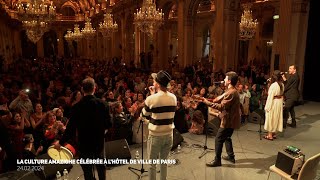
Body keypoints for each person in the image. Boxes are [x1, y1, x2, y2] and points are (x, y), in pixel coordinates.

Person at [54, 77, 112, 180]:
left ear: (82, 89)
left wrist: (61, 142)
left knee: (87, 170)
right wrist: (102, 131)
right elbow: (109, 124)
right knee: (101, 167)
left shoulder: (76, 107)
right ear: (94, 88)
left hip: (84, 143)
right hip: (98, 141)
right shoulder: (103, 104)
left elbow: (70, 129)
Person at [199, 71, 240, 167]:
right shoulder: (232, 91)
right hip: (232, 119)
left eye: (225, 79)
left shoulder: (231, 92)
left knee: (218, 139)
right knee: (227, 137)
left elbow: (221, 106)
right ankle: (231, 156)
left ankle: (217, 160)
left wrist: (206, 102)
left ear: (229, 81)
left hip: (228, 121)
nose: (224, 80)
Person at [141, 70, 177, 180]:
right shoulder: (173, 97)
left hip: (155, 136)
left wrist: (152, 96)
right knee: (163, 162)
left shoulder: (151, 99)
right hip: (169, 135)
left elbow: (144, 114)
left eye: (154, 80)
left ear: (157, 83)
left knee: (152, 165)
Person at [263, 70, 284, 140]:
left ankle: (270, 135)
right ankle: (274, 133)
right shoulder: (282, 84)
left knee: (270, 117)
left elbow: (270, 96)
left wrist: (267, 107)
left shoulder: (274, 85)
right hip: (279, 102)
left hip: (274, 102)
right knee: (276, 117)